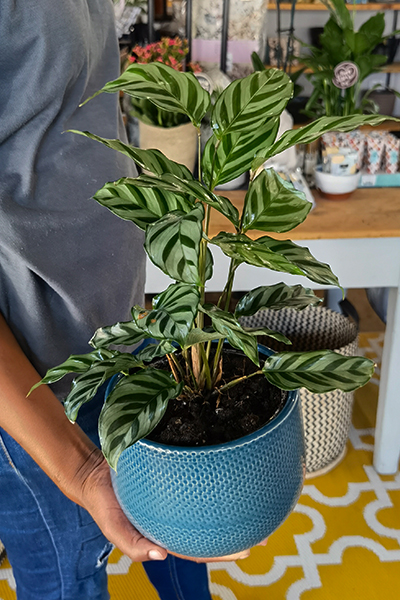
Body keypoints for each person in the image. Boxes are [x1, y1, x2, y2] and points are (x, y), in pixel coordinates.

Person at [0, 1, 255, 599]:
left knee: (180, 536)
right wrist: (84, 471)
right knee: (71, 577)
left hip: (123, 324)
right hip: (41, 384)